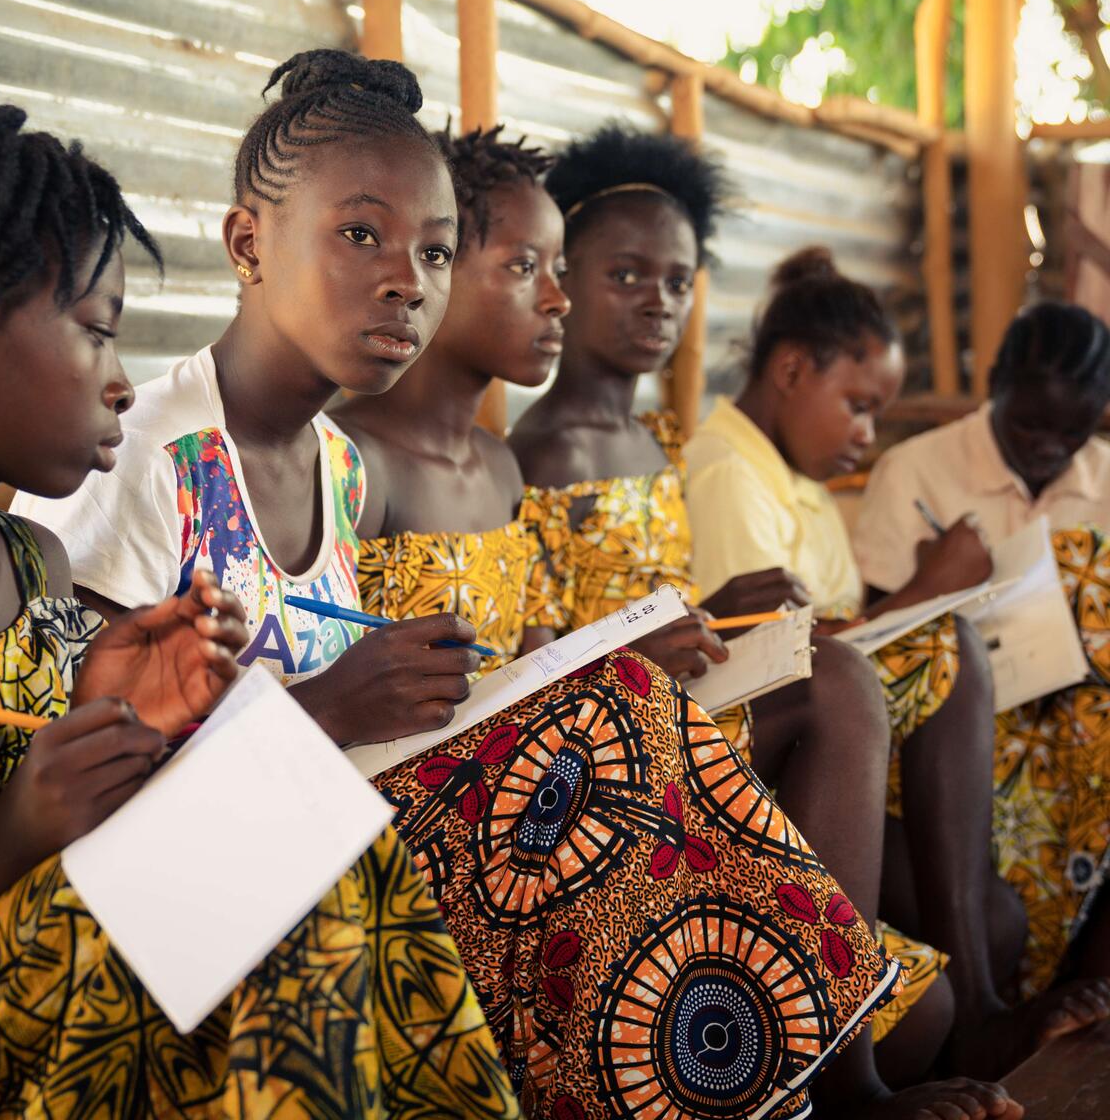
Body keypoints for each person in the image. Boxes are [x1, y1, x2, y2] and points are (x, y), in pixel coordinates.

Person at [0, 106, 519, 1118]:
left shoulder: (37, 568)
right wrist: (15, 830)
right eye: (94, 329)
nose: (119, 381)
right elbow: (29, 867)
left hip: (55, 1016)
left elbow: (86, 854)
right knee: (282, 863)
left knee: (312, 834)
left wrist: (140, 732)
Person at [330, 126, 985, 1120]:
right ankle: (839, 1066)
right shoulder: (359, 462)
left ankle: (841, 1046)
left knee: (851, 669)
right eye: (527, 268)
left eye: (557, 270)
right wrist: (614, 663)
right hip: (470, 815)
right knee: (818, 685)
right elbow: (380, 701)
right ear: (438, 268)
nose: (553, 296)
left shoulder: (496, 468)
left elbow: (534, 650)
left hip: (564, 751)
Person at [511, 126, 1017, 1117]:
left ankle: (953, 1002)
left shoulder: (664, 440)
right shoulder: (530, 456)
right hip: (617, 760)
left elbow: (678, 606)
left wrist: (731, 605)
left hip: (701, 709)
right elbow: (535, 668)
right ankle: (844, 1076)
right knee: (836, 679)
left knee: (941, 985)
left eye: (677, 279)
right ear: (558, 277)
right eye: (623, 273)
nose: (656, 299)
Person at [683, 246, 1110, 1077]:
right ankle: (957, 1025)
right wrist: (924, 590)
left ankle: (990, 1009)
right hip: (781, 760)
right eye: (857, 406)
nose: (869, 436)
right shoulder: (730, 473)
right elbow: (781, 667)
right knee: (946, 644)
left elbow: (828, 629)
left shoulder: (793, 481)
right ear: (791, 371)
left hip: (858, 735)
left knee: (1002, 916)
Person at [14, 49, 491, 750]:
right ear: (249, 243)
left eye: (437, 253)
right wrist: (328, 707)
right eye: (361, 235)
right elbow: (75, 779)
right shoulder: (139, 458)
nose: (410, 283)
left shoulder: (341, 464)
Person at [853, 300, 1110, 996]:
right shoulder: (916, 470)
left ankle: (1075, 1008)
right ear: (992, 385)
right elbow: (879, 641)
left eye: (1075, 430)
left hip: (1078, 736)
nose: (1051, 447)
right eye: (1027, 423)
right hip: (950, 739)